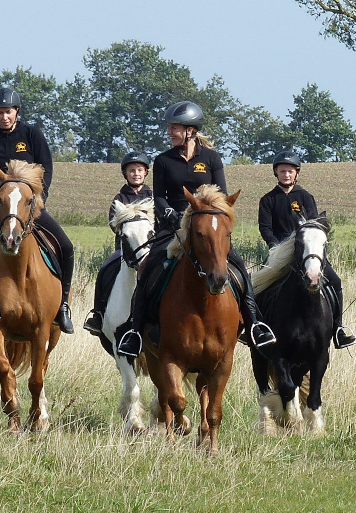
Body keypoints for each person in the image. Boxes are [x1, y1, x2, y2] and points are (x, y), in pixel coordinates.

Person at [116, 100, 275, 356]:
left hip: (207, 228)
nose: (169, 132)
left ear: (190, 130)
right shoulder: (164, 160)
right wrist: (167, 211)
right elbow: (159, 196)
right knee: (148, 270)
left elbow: (221, 195)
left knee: (238, 269)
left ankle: (255, 323)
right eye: (170, 128)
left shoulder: (211, 158)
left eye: (174, 128)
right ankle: (135, 331)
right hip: (173, 228)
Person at [0, 88, 74, 333]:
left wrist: (37, 200)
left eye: (8, 112)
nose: (4, 117)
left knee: (66, 246)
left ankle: (63, 305)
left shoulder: (32, 135)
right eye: (0, 112)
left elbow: (46, 169)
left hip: (28, 210)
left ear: (17, 112)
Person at [258, 150, 356, 349]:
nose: (286, 175)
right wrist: (276, 249)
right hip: (279, 254)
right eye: (282, 171)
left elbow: (314, 225)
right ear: (276, 173)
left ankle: (338, 328)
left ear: (297, 173)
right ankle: (257, 328)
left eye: (290, 171)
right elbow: (265, 228)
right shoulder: (268, 200)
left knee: (335, 281)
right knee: (259, 287)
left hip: (306, 252)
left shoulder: (305, 197)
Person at [83, 152, 153, 335]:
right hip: (125, 250)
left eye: (139, 170)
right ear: (125, 174)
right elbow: (114, 223)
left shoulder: (152, 196)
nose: (136, 174)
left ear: (146, 172)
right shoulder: (119, 198)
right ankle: (97, 314)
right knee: (105, 269)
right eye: (131, 170)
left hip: (149, 248)